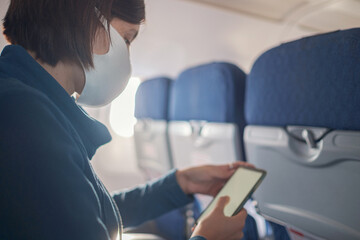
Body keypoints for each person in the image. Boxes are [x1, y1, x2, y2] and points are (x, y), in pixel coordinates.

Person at [0, 0, 250, 239]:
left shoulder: (27, 105)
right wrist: (208, 237)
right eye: (127, 39)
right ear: (84, 20)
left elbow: (76, 217)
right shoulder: (22, 115)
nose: (127, 58)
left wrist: (179, 183)